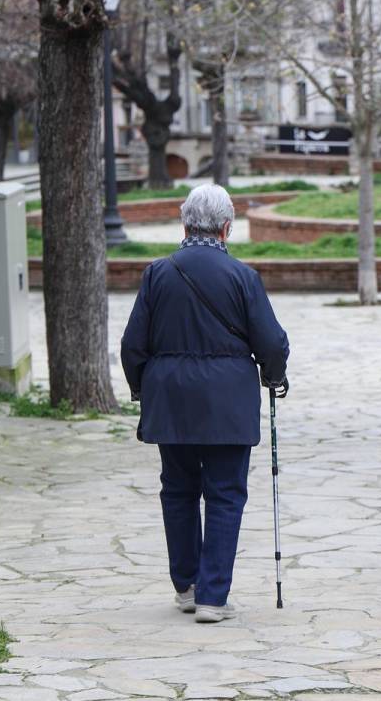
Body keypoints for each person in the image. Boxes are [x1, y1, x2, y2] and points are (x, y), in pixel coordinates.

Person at [120, 184, 290, 624]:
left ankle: (187, 586)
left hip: (170, 399)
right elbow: (271, 341)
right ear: (227, 228)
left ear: (184, 224)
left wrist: (144, 389)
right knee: (225, 494)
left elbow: (132, 344)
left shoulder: (157, 273)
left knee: (177, 490)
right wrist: (274, 376)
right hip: (227, 403)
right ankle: (213, 596)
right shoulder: (242, 277)